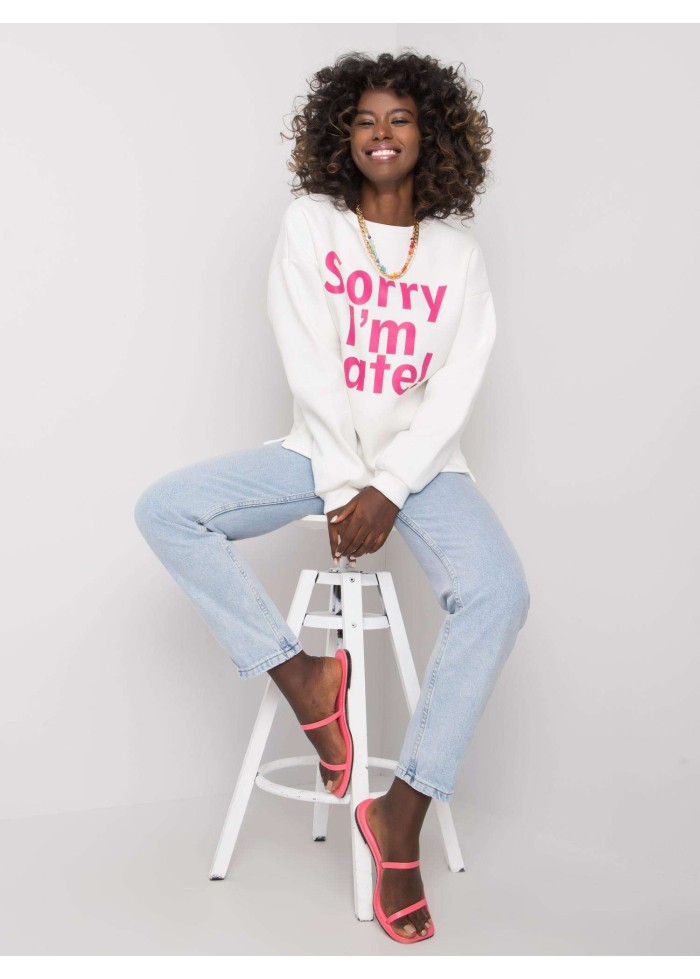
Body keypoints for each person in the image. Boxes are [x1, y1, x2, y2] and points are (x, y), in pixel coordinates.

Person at [134, 50, 530, 945]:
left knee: (501, 592)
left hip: (423, 470)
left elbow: (453, 392)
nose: (381, 133)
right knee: (167, 508)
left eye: (400, 118)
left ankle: (401, 813)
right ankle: (305, 678)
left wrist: (388, 488)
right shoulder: (311, 225)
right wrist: (352, 485)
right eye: (364, 118)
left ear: (431, 134)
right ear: (339, 134)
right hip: (319, 454)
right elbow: (309, 365)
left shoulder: (459, 257)